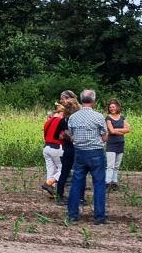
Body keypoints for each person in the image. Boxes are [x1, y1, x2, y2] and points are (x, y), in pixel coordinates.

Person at [66, 89, 108, 224]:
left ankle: (72, 215)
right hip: (96, 152)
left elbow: (71, 136)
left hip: (79, 152)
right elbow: (104, 136)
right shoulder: (98, 117)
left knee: (76, 183)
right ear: (94, 101)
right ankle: (99, 216)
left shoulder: (73, 117)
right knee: (99, 184)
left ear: (81, 100)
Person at [55, 94, 81, 204]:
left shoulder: (63, 120)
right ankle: (79, 197)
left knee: (64, 172)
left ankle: (59, 196)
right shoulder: (78, 120)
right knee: (79, 173)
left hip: (67, 149)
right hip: (78, 149)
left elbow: (57, 135)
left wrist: (64, 136)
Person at [104, 99, 130, 191]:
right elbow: (111, 131)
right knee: (110, 165)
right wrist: (121, 130)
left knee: (117, 165)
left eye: (113, 107)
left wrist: (117, 130)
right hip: (111, 143)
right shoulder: (108, 118)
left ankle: (114, 182)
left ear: (117, 107)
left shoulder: (122, 117)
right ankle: (107, 182)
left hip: (120, 143)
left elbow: (128, 129)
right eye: (110, 107)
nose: (112, 109)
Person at [40, 104, 64, 197]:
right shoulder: (60, 122)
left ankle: (51, 192)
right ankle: (49, 183)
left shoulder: (47, 122)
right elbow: (62, 136)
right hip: (56, 147)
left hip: (46, 147)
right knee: (64, 169)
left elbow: (46, 135)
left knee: (50, 169)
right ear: (61, 113)